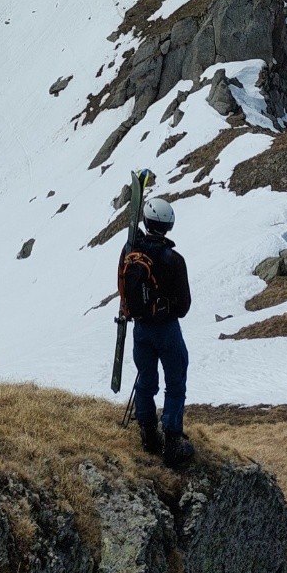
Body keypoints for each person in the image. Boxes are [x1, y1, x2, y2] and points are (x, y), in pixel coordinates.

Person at [118, 195, 194, 468]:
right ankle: (172, 440)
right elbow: (183, 306)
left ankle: (148, 433)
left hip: (141, 329)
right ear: (169, 225)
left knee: (146, 380)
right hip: (167, 331)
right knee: (175, 382)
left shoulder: (130, 251)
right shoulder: (174, 260)